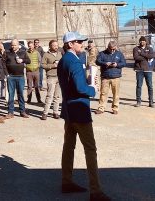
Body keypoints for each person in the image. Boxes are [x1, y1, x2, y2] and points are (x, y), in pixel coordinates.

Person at [58, 32, 110, 201]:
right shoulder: (73, 61)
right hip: (79, 110)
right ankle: (95, 191)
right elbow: (81, 87)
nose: (82, 44)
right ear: (71, 44)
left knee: (69, 146)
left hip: (69, 109)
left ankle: (66, 182)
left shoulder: (64, 60)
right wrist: (92, 90)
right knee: (90, 149)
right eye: (79, 42)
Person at [95, 40, 126, 115]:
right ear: (108, 47)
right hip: (105, 77)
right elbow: (97, 61)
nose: (112, 50)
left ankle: (115, 108)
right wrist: (105, 63)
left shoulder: (119, 54)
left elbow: (124, 63)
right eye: (111, 48)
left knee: (116, 93)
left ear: (115, 47)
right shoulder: (102, 53)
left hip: (116, 77)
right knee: (103, 93)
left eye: (113, 49)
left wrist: (117, 64)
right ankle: (101, 108)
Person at [4, 39, 30, 118]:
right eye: (12, 45)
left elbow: (29, 61)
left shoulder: (23, 52)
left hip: (20, 77)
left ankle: (22, 111)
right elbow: (3, 63)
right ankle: (10, 112)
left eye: (14, 45)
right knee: (11, 95)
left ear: (18, 45)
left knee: (20, 94)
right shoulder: (7, 52)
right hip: (11, 77)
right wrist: (7, 74)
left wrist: (22, 60)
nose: (13, 47)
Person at [41, 40, 63, 120]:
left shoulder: (60, 53)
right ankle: (45, 113)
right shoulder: (46, 55)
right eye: (54, 45)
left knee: (57, 96)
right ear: (50, 46)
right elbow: (43, 65)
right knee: (49, 95)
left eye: (57, 45)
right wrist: (52, 65)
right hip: (51, 77)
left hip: (59, 77)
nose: (56, 47)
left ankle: (55, 112)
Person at [133, 36, 155, 107]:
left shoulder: (149, 48)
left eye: (143, 41)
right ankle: (138, 101)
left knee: (150, 86)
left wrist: (142, 54)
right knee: (139, 86)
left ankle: (151, 102)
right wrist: (146, 57)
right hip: (139, 69)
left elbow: (151, 56)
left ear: (146, 42)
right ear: (139, 42)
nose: (142, 42)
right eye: (141, 41)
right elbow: (136, 57)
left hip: (148, 70)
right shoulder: (136, 49)